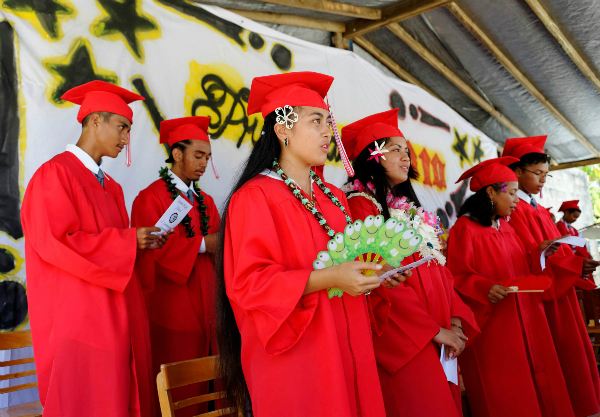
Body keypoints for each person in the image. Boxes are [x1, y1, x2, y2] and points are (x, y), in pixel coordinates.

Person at [215, 72, 387, 417]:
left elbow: (350, 259)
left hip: (347, 342)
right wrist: (331, 278)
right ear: (282, 130)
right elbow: (250, 284)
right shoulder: (255, 197)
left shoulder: (335, 197)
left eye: (328, 122)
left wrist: (375, 271)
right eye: (316, 121)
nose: (328, 133)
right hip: (298, 356)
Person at [21, 80, 171, 417]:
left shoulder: (113, 188)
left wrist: (142, 244)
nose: (126, 139)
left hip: (120, 314)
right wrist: (129, 240)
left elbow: (115, 250)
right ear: (94, 121)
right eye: (122, 127)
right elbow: (57, 243)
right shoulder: (54, 175)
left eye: (129, 130)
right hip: (83, 319)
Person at [341, 109, 478, 417]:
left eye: (407, 151)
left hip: (440, 332)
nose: (406, 158)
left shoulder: (413, 212)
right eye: (396, 150)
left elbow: (440, 271)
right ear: (373, 157)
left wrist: (454, 321)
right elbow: (380, 278)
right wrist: (433, 331)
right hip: (406, 340)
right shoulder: (360, 206)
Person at [447, 157, 574, 417]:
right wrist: (484, 287)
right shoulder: (465, 228)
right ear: (491, 192)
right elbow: (457, 274)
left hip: (526, 316)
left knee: (533, 381)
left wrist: (538, 253)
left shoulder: (505, 227)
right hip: (494, 320)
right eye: (513, 192)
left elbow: (519, 267)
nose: (517, 199)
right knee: (504, 391)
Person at [503, 135, 600, 417]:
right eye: (538, 173)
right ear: (518, 172)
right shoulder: (515, 210)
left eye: (546, 174)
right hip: (542, 293)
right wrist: (570, 266)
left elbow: (555, 246)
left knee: (571, 351)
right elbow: (525, 254)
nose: (544, 180)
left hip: (562, 287)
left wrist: (576, 263)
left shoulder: (537, 209)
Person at [131, 116, 221, 416]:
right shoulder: (150, 197)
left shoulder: (206, 201)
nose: (204, 163)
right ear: (177, 152)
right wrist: (205, 245)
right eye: (198, 155)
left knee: (213, 388)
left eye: (208, 157)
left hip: (209, 310)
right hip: (173, 312)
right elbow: (150, 251)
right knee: (178, 391)